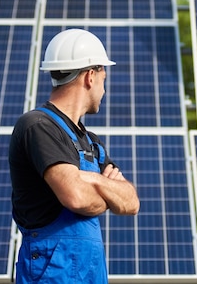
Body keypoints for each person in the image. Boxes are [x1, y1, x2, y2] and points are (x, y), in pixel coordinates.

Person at [9, 28, 140, 284]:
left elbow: (131, 202)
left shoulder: (92, 142)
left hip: (91, 272)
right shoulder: (38, 126)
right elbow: (77, 198)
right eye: (104, 76)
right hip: (52, 270)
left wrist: (90, 179)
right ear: (90, 76)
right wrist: (107, 189)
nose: (104, 88)